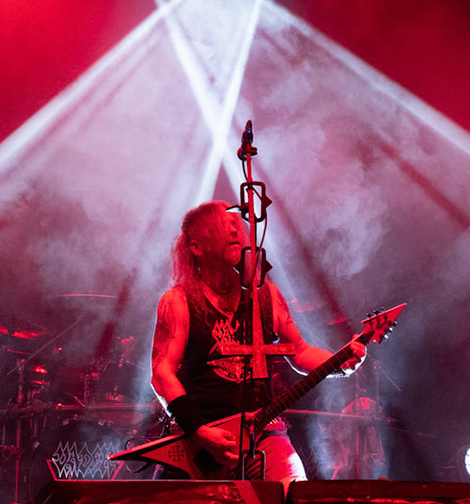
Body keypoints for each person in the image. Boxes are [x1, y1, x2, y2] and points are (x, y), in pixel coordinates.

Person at [150, 201, 364, 483]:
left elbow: (300, 353)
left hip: (262, 431)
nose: (234, 231)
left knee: (292, 493)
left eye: (235, 226)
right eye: (221, 226)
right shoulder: (178, 301)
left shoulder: (265, 296)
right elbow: (162, 374)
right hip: (198, 435)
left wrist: (341, 362)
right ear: (196, 246)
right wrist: (198, 430)